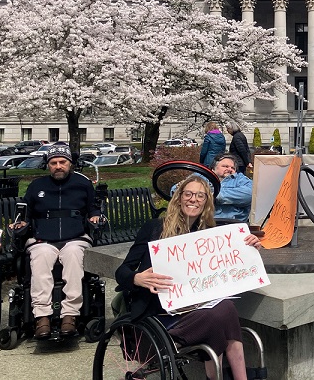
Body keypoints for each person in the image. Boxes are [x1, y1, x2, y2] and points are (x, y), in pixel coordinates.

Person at [115, 173, 261, 380]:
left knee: (224, 308)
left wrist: (250, 246)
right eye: (189, 194)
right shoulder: (155, 228)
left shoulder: (209, 234)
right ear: (179, 197)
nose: (194, 199)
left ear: (207, 202)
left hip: (193, 308)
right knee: (220, 315)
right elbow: (122, 271)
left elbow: (232, 263)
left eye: (200, 196)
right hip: (159, 310)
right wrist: (137, 278)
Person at [15, 142, 101, 339]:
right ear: (48, 165)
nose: (58, 166)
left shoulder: (82, 184)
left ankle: (70, 314)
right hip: (43, 239)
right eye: (53, 162)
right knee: (41, 258)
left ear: (70, 163)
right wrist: (21, 224)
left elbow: (93, 208)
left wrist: (95, 216)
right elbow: (26, 213)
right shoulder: (37, 186)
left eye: (62, 162)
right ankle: (42, 316)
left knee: (72, 256)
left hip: (75, 237)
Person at [212, 154, 253, 223]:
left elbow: (249, 194)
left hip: (233, 225)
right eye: (225, 166)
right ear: (213, 169)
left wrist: (215, 195)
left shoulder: (241, 179)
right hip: (204, 225)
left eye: (233, 168)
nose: (230, 169)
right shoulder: (202, 177)